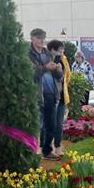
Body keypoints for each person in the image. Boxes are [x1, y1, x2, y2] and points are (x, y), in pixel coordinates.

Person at [29, 28, 62, 159]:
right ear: (32, 38)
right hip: (36, 95)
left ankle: (47, 151)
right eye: (39, 38)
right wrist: (45, 68)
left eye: (43, 38)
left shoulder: (48, 53)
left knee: (51, 125)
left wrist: (57, 70)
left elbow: (59, 76)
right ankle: (32, 151)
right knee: (36, 126)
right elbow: (30, 74)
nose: (42, 40)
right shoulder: (28, 54)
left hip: (51, 94)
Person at [47, 39, 71, 158]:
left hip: (62, 96)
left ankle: (58, 146)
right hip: (50, 97)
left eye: (62, 49)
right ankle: (47, 148)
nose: (62, 51)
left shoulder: (64, 59)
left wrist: (63, 85)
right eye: (60, 49)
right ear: (52, 50)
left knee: (59, 124)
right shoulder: (47, 60)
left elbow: (67, 75)